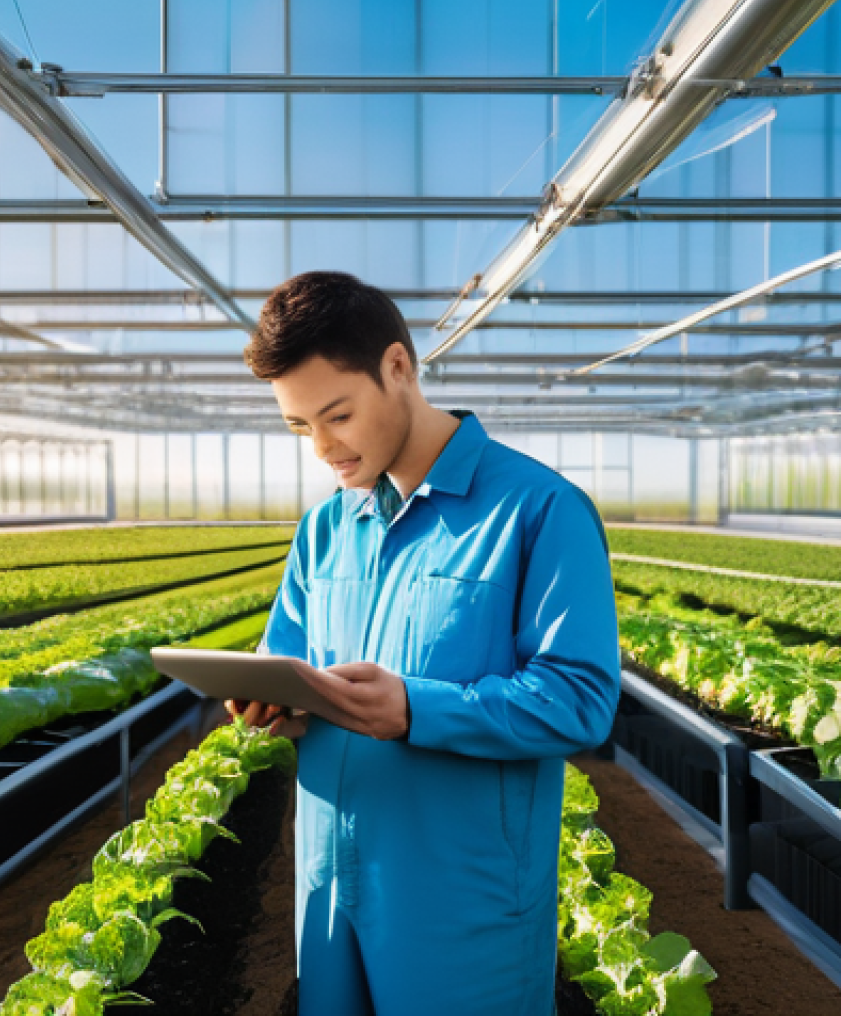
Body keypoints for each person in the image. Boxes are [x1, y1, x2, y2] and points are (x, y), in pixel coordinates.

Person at [226, 271, 620, 1016]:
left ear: (398, 368)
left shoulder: (540, 510)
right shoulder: (325, 529)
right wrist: (270, 701)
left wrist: (414, 708)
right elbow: (286, 665)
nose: (322, 448)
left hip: (460, 904)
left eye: (336, 415)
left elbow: (580, 700)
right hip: (330, 888)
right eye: (299, 426)